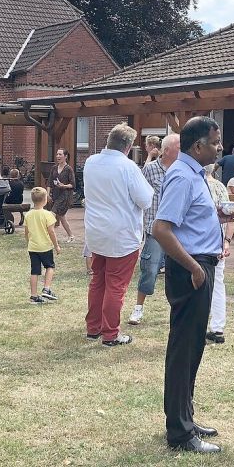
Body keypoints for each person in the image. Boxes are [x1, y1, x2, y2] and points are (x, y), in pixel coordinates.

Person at [152, 116, 228, 454]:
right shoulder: (182, 176)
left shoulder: (195, 174)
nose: (220, 147)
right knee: (184, 350)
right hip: (192, 271)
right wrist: (195, 268)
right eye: (215, 142)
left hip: (201, 265)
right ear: (198, 146)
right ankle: (180, 433)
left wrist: (218, 218)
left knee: (193, 347)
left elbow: (187, 222)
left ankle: (185, 417)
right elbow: (162, 229)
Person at [83, 123, 152, 346]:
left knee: (98, 281)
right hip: (121, 235)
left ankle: (93, 327)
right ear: (129, 145)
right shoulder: (128, 167)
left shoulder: (91, 162)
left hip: (96, 231)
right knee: (116, 286)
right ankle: (111, 334)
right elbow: (146, 200)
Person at [129, 133, 180, 326]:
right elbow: (137, 195)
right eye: (179, 147)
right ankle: (138, 309)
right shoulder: (149, 170)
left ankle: (178, 310)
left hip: (178, 230)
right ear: (167, 150)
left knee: (178, 272)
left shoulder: (181, 170)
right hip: (156, 230)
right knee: (149, 269)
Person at [205, 163, 234, 345]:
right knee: (217, 283)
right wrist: (227, 241)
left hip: (201, 244)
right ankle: (217, 327)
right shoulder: (220, 186)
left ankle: (199, 326)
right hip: (218, 241)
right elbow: (231, 217)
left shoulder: (196, 184)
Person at [24, 187, 61, 304]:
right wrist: (56, 245)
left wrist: (28, 242)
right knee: (50, 267)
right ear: (45, 200)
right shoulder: (48, 215)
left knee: (34, 271)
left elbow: (26, 232)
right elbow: (51, 232)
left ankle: (34, 295)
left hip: (33, 247)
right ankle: (47, 288)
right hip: (45, 246)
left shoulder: (28, 215)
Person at [49, 148, 76, 242]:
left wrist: (64, 185)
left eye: (60, 154)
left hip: (65, 195)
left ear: (65, 156)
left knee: (51, 214)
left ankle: (47, 236)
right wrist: (48, 194)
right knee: (61, 217)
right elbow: (49, 182)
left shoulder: (68, 169)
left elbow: (72, 184)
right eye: (57, 154)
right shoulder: (54, 168)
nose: (58, 156)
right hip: (56, 194)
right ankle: (71, 235)